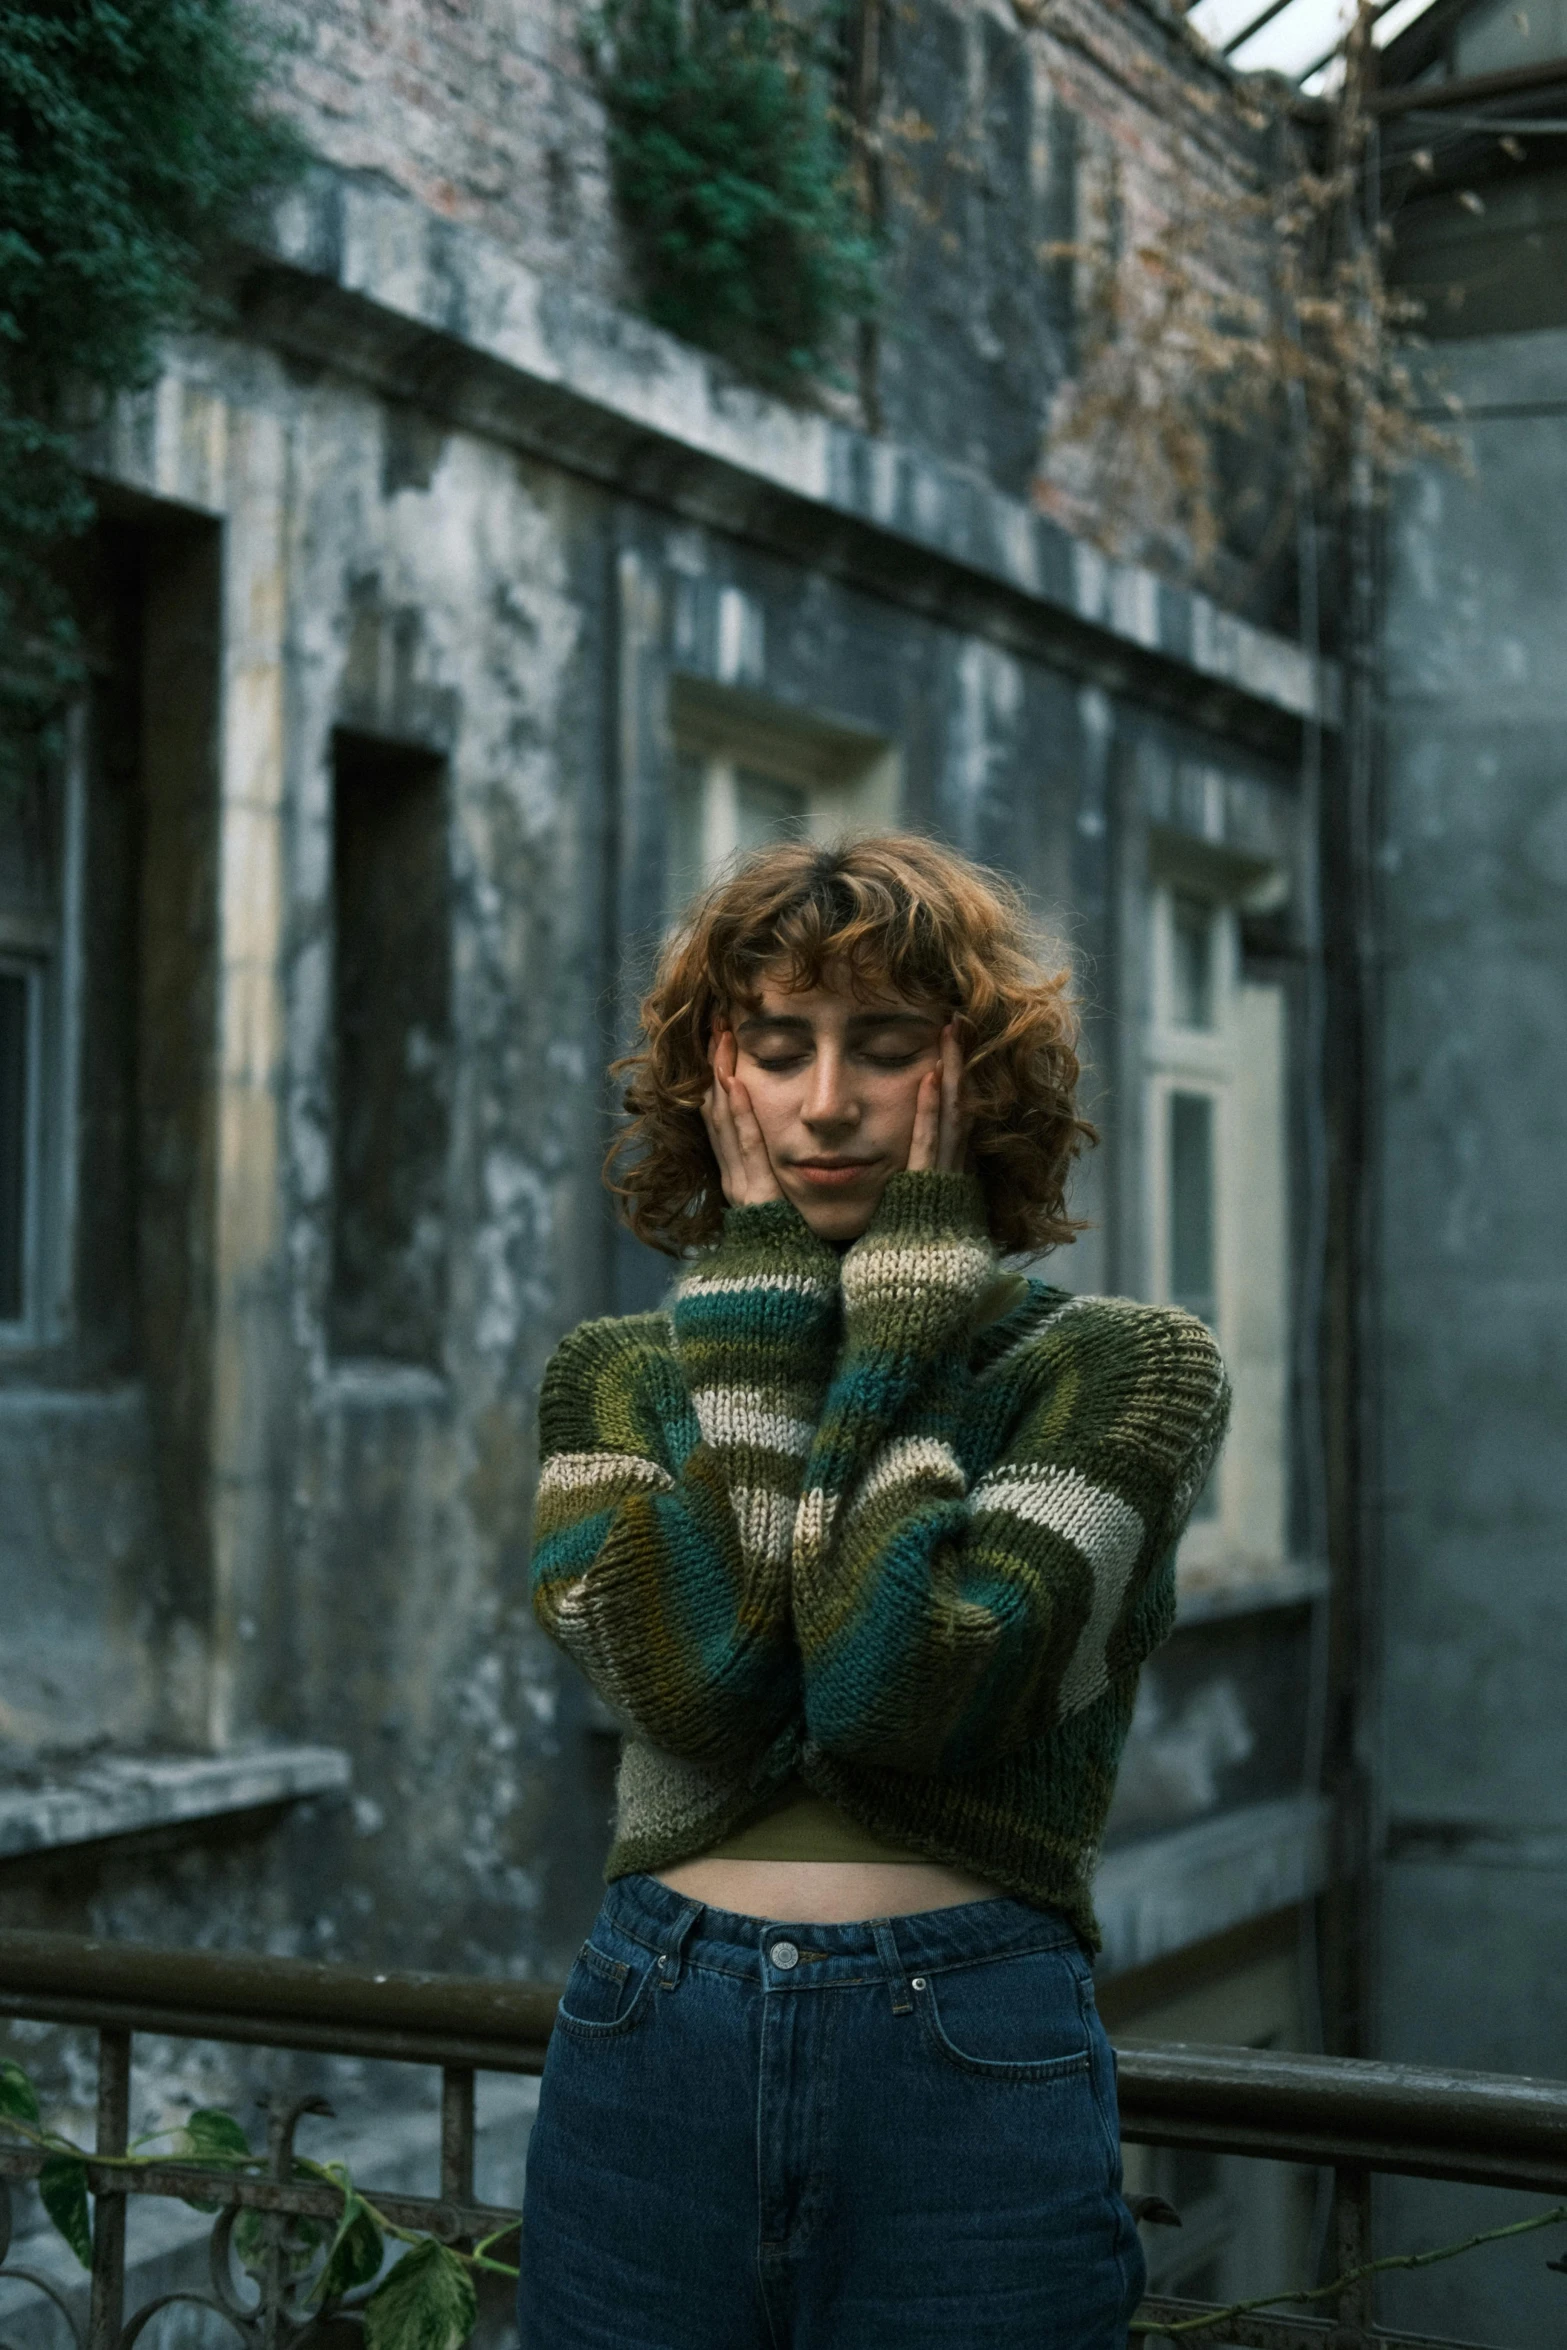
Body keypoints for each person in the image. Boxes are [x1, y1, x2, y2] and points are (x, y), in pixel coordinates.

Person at [518, 833, 1229, 2350]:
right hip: (651, 2037)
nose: (828, 1100)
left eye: (886, 1046)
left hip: (963, 2056)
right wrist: (765, 1323)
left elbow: (898, 1687)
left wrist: (897, 1333)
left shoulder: (1119, 1369)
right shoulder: (614, 1379)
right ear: (719, 1087)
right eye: (779, 1048)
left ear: (975, 1080)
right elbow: (700, 1682)